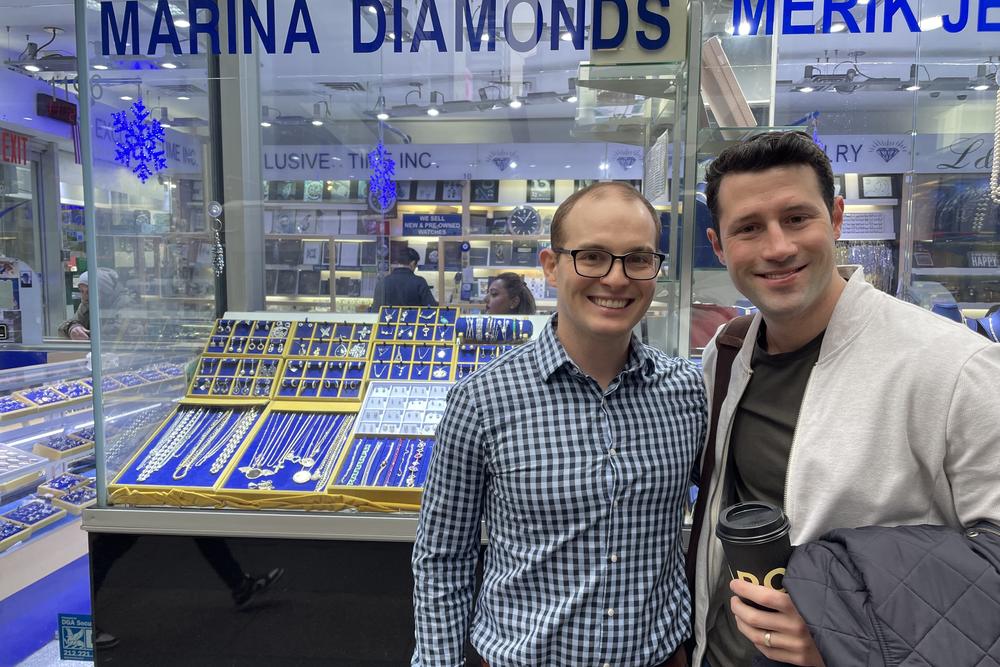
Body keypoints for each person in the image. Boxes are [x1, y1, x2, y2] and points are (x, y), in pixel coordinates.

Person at [690, 130, 1000, 667]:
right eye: (748, 228)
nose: (778, 247)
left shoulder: (954, 366)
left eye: (796, 218)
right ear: (719, 247)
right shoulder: (729, 353)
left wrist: (847, 635)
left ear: (835, 218)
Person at [412, 182, 706, 667]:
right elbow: (444, 555)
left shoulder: (687, 393)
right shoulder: (483, 399)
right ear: (551, 267)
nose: (616, 279)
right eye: (591, 256)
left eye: (637, 259)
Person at [59, 268, 119, 340]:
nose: (84, 296)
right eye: (82, 291)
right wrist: (73, 327)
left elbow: (120, 333)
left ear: (104, 292)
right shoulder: (86, 306)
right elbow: (63, 327)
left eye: (89, 292)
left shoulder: (123, 303)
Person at [371, 247, 437, 309]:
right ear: (412, 263)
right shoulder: (419, 282)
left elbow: (376, 309)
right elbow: (431, 307)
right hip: (412, 320)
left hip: (388, 320)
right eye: (416, 266)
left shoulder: (382, 282)